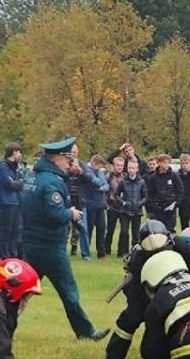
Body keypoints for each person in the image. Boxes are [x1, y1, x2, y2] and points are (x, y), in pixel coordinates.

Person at [19, 138, 108, 340]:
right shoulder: (52, 182)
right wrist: (71, 214)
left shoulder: (32, 177)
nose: (71, 163)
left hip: (30, 244)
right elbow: (55, 214)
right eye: (69, 158)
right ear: (58, 158)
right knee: (69, 291)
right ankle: (86, 332)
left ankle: (2, 325)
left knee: (23, 291)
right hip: (50, 246)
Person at [98, 219, 190, 359]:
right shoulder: (138, 257)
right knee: (131, 317)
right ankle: (111, 358)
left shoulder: (184, 248)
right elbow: (135, 290)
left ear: (169, 241)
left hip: (180, 290)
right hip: (147, 291)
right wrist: (149, 307)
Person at [0, 143, 24, 259]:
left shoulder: (16, 166)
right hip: (6, 202)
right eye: (19, 152)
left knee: (16, 228)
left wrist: (17, 183)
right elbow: (8, 183)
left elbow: (21, 181)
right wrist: (17, 183)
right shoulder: (2, 166)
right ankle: (3, 253)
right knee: (6, 228)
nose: (20, 155)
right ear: (14, 152)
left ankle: (13, 252)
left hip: (15, 201)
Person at [115, 158, 146, 257]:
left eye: (133, 168)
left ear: (137, 169)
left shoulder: (141, 182)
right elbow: (117, 194)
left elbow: (145, 196)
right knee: (124, 231)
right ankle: (123, 251)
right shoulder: (123, 181)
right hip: (125, 210)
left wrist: (140, 203)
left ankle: (134, 252)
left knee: (135, 233)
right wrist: (123, 203)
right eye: (129, 168)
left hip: (137, 211)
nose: (131, 170)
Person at [81, 154, 109, 260]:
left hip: (100, 204)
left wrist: (103, 187)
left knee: (101, 229)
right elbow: (96, 182)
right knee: (89, 229)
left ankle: (101, 252)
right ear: (94, 163)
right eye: (99, 166)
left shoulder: (99, 172)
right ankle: (86, 252)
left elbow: (106, 185)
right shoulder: (87, 171)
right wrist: (100, 183)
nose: (100, 169)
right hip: (89, 204)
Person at [145, 154, 184, 232]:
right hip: (158, 210)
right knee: (159, 231)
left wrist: (176, 204)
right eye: (164, 162)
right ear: (159, 163)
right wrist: (154, 205)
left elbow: (180, 191)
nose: (166, 165)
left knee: (170, 231)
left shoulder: (174, 176)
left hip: (171, 209)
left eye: (167, 162)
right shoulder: (153, 178)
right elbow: (149, 194)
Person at [104, 156, 125, 258]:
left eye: (121, 165)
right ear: (113, 166)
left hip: (123, 207)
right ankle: (106, 250)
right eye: (117, 165)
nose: (119, 167)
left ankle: (121, 252)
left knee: (124, 230)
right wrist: (106, 205)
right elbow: (104, 191)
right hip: (112, 206)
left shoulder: (125, 177)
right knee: (110, 230)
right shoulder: (108, 176)